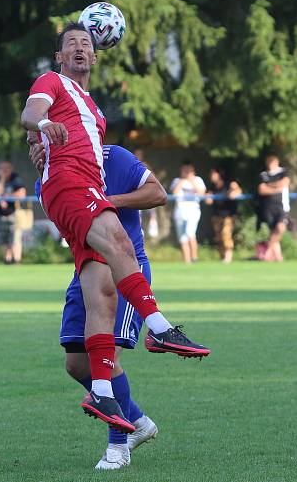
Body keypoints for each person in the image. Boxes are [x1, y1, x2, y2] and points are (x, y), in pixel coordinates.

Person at [20, 23, 210, 433]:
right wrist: (39, 130)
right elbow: (30, 114)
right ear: (59, 57)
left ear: (96, 54)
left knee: (102, 298)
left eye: (86, 43)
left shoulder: (92, 108)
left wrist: (42, 147)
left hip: (78, 183)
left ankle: (103, 389)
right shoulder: (52, 81)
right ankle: (159, 329)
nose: (79, 47)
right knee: (120, 242)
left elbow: (56, 141)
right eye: (70, 43)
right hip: (70, 184)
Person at [30, 139, 162, 470]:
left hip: (124, 269)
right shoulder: (45, 182)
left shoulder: (113, 157)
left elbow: (158, 193)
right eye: (31, 141)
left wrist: (102, 202)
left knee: (105, 358)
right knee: (76, 364)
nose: (36, 146)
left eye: (41, 138)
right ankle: (138, 422)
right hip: (86, 272)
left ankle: (118, 446)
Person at [0, 160, 27, 264]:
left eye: (6, 168)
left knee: (15, 238)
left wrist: (7, 197)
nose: (4, 171)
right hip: (0, 213)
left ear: (11, 169)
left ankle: (17, 260)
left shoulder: (15, 177)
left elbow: (22, 193)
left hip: (14, 213)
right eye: (2, 169)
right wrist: (2, 179)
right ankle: (7, 260)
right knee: (4, 239)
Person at [170, 161, 206, 263]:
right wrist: (182, 180)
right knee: (182, 237)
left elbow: (201, 193)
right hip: (180, 211)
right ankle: (187, 261)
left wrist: (192, 180)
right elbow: (175, 192)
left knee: (190, 233)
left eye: (188, 170)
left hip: (193, 211)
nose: (186, 172)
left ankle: (194, 258)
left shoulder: (198, 180)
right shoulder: (177, 181)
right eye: (184, 170)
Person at [205, 167, 243, 263]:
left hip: (228, 215)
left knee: (226, 234)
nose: (211, 176)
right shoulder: (212, 186)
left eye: (213, 173)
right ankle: (222, 256)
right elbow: (208, 200)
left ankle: (228, 257)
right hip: (217, 215)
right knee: (218, 237)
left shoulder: (229, 183)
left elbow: (238, 190)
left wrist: (234, 192)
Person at [257, 154, 290, 262]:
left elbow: (285, 183)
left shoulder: (283, 172)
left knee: (281, 228)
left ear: (277, 163)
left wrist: (269, 185)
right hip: (268, 207)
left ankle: (268, 252)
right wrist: (276, 188)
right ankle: (278, 257)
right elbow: (262, 189)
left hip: (281, 206)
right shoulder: (264, 174)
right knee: (273, 232)